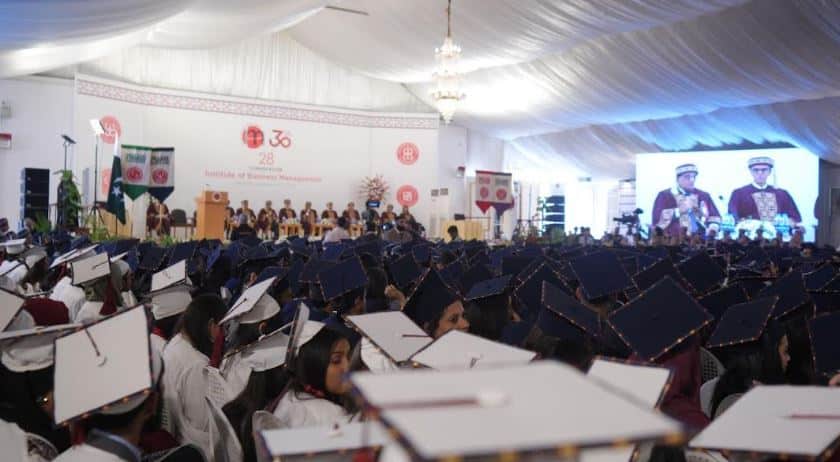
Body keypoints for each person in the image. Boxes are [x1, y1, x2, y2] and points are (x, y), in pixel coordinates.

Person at [161, 294, 227, 457]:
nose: (223, 333)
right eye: (222, 327)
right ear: (211, 324)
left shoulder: (175, 343)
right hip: (197, 449)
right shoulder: (196, 364)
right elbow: (202, 422)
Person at [270, 323, 353, 428]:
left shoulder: (290, 397)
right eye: (336, 360)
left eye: (349, 356)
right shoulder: (331, 415)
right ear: (313, 364)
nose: (347, 366)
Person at [727, 156, 802, 226]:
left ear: (769, 172)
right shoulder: (739, 193)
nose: (760, 173)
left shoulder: (782, 194)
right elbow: (733, 217)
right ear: (751, 172)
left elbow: (794, 217)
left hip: (777, 233)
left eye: (764, 170)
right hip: (749, 232)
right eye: (756, 170)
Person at [652, 164, 721, 237]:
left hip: (700, 238)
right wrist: (678, 211)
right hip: (674, 239)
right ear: (677, 179)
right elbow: (657, 219)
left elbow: (715, 216)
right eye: (687, 177)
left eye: (694, 177)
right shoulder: (665, 195)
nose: (692, 180)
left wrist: (713, 228)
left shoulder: (704, 195)